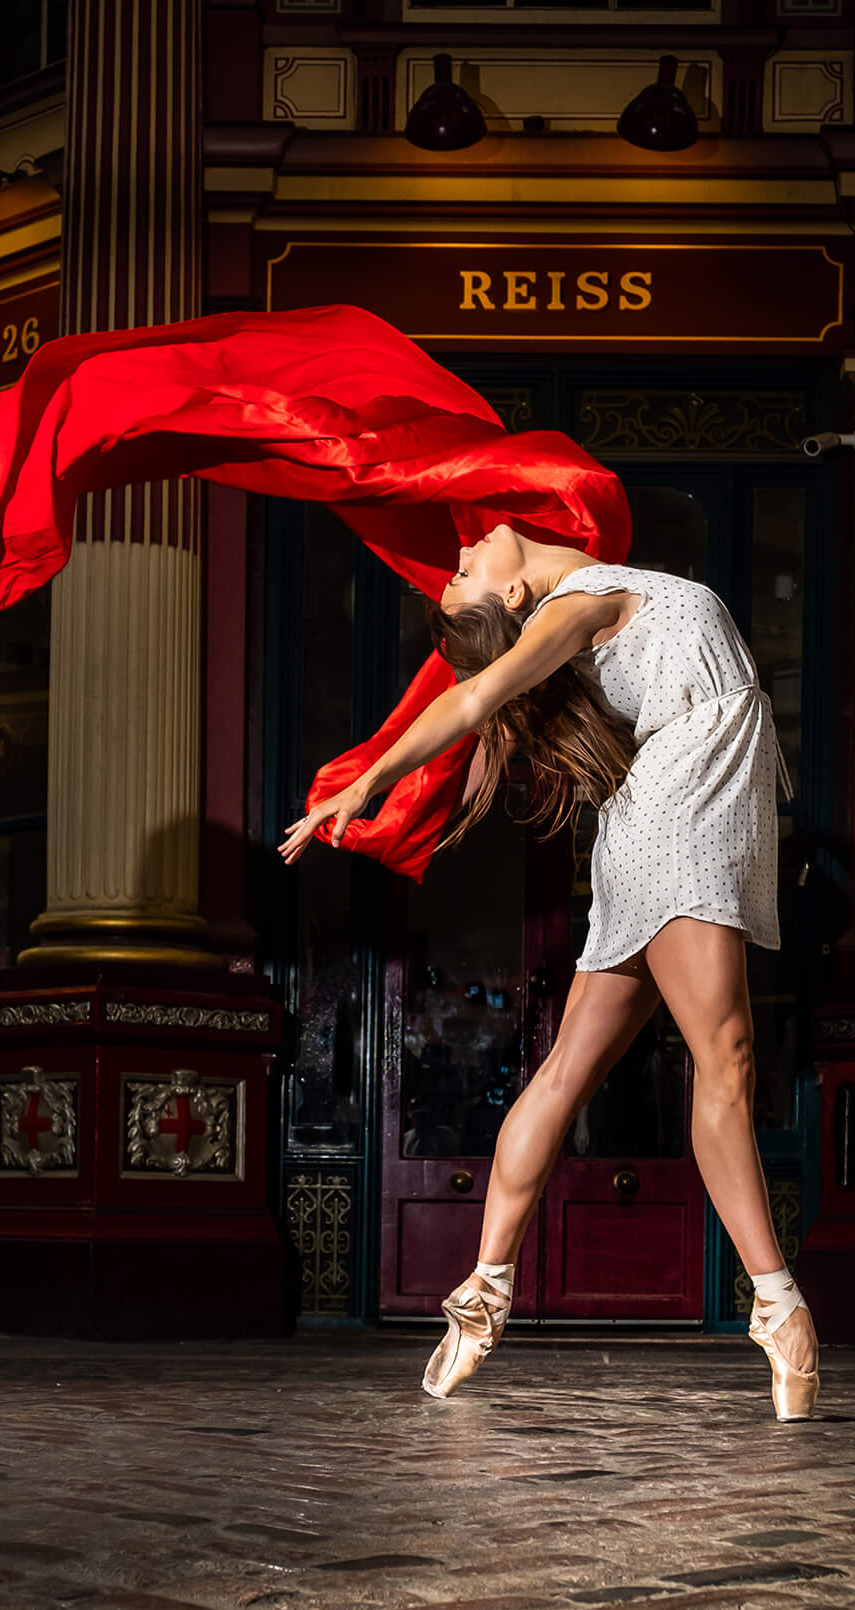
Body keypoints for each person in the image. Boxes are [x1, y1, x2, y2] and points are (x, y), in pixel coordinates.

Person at [280, 525, 818, 1418]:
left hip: (665, 817)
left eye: (455, 571)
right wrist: (368, 781)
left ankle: (484, 1297)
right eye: (462, 576)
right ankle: (779, 1306)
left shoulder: (594, 584)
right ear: (520, 600)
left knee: (570, 1071)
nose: (459, 560)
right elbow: (476, 696)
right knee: (725, 1063)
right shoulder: (579, 604)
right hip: (681, 821)